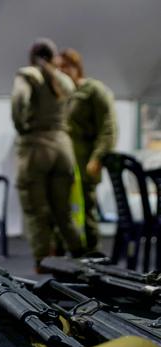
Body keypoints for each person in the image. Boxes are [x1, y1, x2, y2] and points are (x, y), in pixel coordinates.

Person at [11, 38, 84, 271]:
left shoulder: (28, 75)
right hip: (63, 148)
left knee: (36, 211)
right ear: (53, 57)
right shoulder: (63, 80)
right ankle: (81, 257)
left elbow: (18, 101)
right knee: (63, 212)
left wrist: (22, 127)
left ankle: (43, 262)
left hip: (35, 148)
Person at [59, 48, 118, 253]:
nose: (62, 71)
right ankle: (70, 255)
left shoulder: (93, 90)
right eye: (59, 68)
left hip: (85, 161)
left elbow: (109, 127)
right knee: (64, 212)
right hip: (65, 163)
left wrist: (98, 158)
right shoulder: (64, 94)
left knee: (87, 211)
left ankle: (92, 255)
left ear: (76, 67)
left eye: (66, 66)